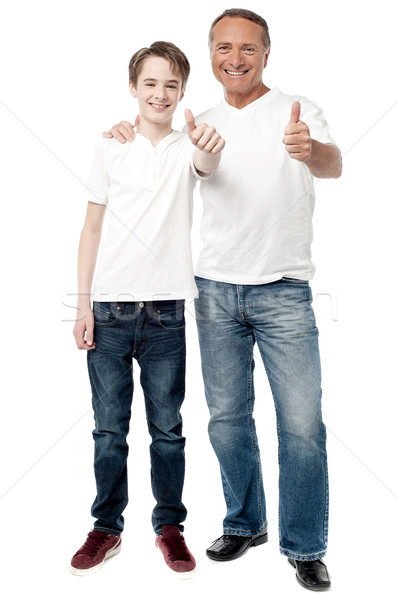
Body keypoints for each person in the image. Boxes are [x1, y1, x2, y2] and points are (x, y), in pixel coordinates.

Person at [105, 8, 342, 592]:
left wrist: (308, 148)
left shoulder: (299, 110)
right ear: (210, 54)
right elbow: (154, 155)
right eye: (224, 47)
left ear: (266, 54)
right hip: (212, 291)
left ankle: (305, 544)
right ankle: (245, 521)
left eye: (248, 48)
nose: (235, 58)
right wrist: (123, 131)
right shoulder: (195, 122)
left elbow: (334, 166)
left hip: (285, 289)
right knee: (228, 420)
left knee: (302, 425)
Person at [71, 40, 225, 579]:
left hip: (166, 313)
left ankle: (169, 526)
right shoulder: (111, 145)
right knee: (109, 429)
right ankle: (106, 528)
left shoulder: (189, 146)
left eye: (172, 85)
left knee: (167, 428)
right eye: (151, 83)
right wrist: (83, 305)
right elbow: (91, 228)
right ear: (133, 88)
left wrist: (206, 144)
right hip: (109, 310)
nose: (161, 93)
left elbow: (207, 164)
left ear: (183, 90)